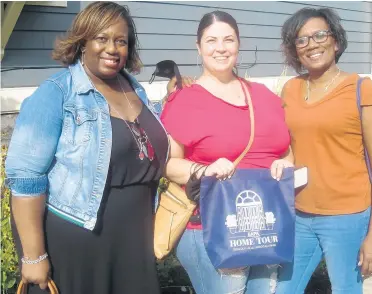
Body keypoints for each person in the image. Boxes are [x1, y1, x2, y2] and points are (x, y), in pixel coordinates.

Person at [5, 2, 175, 293]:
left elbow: (148, 152)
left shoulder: (134, 89)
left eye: (121, 41)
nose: (112, 48)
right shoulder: (57, 93)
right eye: (102, 38)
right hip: (79, 241)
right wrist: (34, 256)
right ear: (83, 42)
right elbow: (26, 180)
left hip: (134, 241)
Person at [160, 11, 294, 294]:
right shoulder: (184, 100)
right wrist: (203, 170)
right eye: (211, 40)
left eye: (228, 39)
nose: (220, 47)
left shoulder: (264, 95)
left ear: (238, 44)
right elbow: (168, 163)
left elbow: (286, 150)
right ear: (198, 47)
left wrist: (285, 164)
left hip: (267, 225)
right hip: (212, 227)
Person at [276, 8, 372, 294]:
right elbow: (291, 146)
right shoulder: (291, 89)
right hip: (301, 213)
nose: (312, 44)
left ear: (336, 41)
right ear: (295, 49)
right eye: (301, 40)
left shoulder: (362, 89)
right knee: (283, 289)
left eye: (319, 35)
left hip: (347, 217)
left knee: (345, 290)